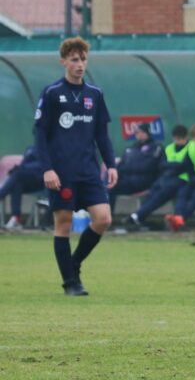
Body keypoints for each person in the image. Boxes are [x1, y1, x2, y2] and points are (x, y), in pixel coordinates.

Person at [34, 36, 118, 296]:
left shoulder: (95, 94)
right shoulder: (51, 93)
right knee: (64, 223)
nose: (79, 64)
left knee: (104, 218)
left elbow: (101, 135)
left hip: (88, 171)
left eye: (83, 59)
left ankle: (74, 263)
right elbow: (40, 134)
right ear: (64, 62)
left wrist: (110, 164)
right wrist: (47, 168)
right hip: (61, 173)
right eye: (74, 59)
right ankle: (70, 283)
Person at [128, 124, 189, 227]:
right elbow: (162, 165)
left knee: (163, 194)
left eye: (181, 139)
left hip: (183, 179)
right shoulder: (169, 148)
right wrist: (174, 166)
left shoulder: (190, 148)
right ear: (173, 138)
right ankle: (138, 217)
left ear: (186, 137)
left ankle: (137, 216)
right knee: (153, 191)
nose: (179, 141)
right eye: (177, 139)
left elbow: (185, 166)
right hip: (167, 178)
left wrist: (171, 166)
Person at [108, 123, 162, 214]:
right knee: (110, 186)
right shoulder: (131, 149)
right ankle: (107, 218)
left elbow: (147, 166)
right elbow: (121, 166)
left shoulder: (156, 148)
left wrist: (128, 167)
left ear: (148, 133)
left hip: (145, 183)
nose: (139, 135)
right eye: (137, 133)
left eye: (141, 132)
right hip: (129, 182)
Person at [0, 145, 45, 230]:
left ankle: (1, 194)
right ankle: (16, 218)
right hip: (27, 179)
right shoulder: (30, 149)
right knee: (16, 184)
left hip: (43, 180)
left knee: (17, 175)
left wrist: (21, 169)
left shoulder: (49, 148)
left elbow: (43, 166)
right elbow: (23, 164)